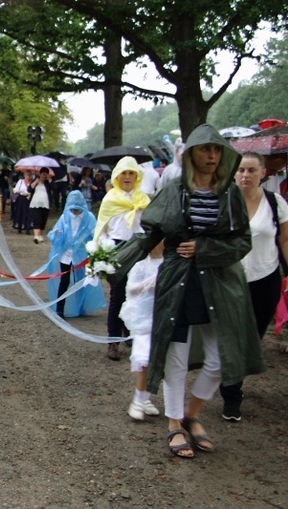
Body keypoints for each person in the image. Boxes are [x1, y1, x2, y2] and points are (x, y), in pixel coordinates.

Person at [108, 124, 265, 459]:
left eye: (216, 150)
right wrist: (111, 262)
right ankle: (175, 422)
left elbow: (242, 242)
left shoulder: (230, 192)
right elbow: (150, 232)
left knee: (220, 358)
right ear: (192, 153)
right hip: (178, 280)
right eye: (205, 150)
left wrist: (205, 248)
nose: (211, 156)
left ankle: (193, 413)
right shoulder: (175, 188)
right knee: (176, 359)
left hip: (220, 283)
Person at [219, 151, 288, 422]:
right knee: (232, 336)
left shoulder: (276, 203)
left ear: (263, 173)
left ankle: (233, 380)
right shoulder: (224, 202)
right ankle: (231, 394)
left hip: (265, 278)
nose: (245, 175)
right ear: (234, 174)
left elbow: (284, 240)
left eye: (251, 170)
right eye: (241, 171)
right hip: (230, 280)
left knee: (253, 337)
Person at [94, 157, 150, 361]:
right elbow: (102, 228)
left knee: (135, 294)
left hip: (139, 248)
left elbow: (148, 225)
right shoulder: (110, 199)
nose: (127, 177)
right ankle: (113, 340)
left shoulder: (143, 199)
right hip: (117, 249)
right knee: (117, 296)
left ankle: (130, 331)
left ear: (137, 176)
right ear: (117, 176)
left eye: (131, 173)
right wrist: (106, 250)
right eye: (123, 173)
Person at [119, 240, 163, 421]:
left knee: (160, 359)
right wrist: (148, 283)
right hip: (144, 318)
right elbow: (131, 289)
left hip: (162, 315)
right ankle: (137, 399)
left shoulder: (170, 264)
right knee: (144, 359)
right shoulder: (140, 265)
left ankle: (146, 398)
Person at [45, 190, 105, 318]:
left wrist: (95, 248)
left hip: (81, 255)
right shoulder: (65, 217)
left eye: (77, 209)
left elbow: (95, 234)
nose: (74, 212)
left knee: (81, 281)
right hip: (66, 254)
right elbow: (56, 232)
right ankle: (60, 309)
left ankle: (81, 306)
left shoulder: (89, 218)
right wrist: (57, 234)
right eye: (72, 209)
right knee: (64, 280)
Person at [29, 167, 53, 243]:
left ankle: (40, 235)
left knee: (43, 220)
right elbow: (29, 189)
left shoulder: (48, 183)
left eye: (45, 174)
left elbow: (54, 188)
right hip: (36, 203)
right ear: (40, 174)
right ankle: (36, 236)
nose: (44, 176)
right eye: (43, 174)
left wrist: (50, 180)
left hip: (45, 203)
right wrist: (36, 181)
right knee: (37, 219)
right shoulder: (36, 181)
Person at [12, 170, 33, 234]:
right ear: (24, 175)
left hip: (29, 199)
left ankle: (28, 228)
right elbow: (15, 190)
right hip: (21, 199)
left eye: (30, 175)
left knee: (29, 213)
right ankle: (19, 227)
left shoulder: (32, 183)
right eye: (27, 175)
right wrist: (21, 191)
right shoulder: (20, 181)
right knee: (20, 213)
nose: (28, 177)